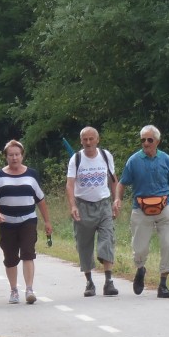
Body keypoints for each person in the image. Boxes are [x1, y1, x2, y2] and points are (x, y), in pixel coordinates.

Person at [116, 125, 169, 298]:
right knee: (139, 248)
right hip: (141, 209)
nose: (146, 143)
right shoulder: (133, 160)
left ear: (157, 141)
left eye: (149, 140)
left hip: (165, 207)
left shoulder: (166, 160)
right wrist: (117, 199)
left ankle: (163, 284)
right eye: (143, 140)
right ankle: (140, 269)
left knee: (168, 245)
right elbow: (122, 183)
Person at [0, 140, 53, 304]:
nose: (14, 158)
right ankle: (14, 290)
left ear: (22, 156)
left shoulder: (31, 175)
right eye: (11, 155)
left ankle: (29, 289)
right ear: (6, 157)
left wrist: (47, 222)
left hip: (28, 220)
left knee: (28, 253)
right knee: (10, 257)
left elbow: (41, 199)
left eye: (17, 154)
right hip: (6, 222)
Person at [65, 126, 120, 297]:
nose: (88, 142)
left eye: (91, 139)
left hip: (103, 204)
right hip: (83, 205)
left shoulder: (106, 156)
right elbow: (70, 184)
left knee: (107, 240)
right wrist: (73, 205)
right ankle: (89, 282)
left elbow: (113, 180)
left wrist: (117, 199)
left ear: (97, 139)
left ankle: (108, 282)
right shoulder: (76, 159)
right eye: (85, 139)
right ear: (81, 141)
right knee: (84, 244)